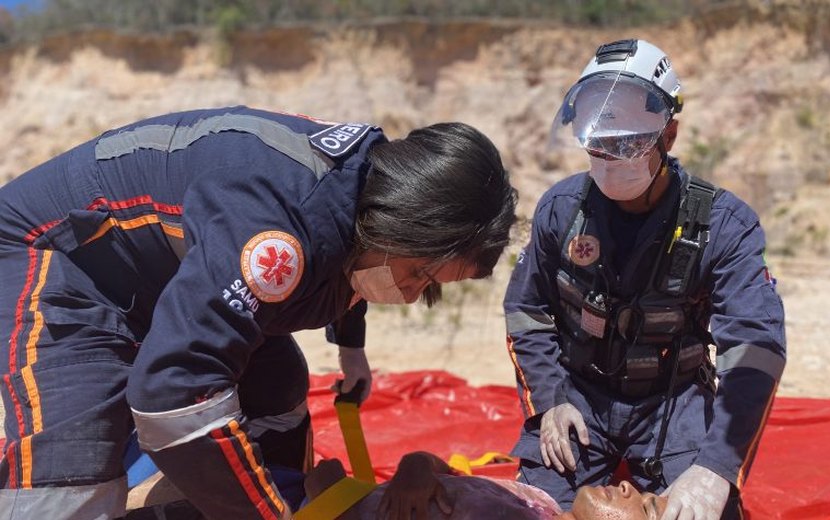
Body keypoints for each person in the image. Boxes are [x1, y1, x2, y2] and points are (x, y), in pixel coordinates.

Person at [0, 105, 518, 519]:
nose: (408, 296)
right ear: (404, 225)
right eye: (420, 276)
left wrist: (352, 350)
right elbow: (174, 390)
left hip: (159, 267)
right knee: (74, 460)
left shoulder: (365, 193)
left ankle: (197, 503)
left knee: (276, 388)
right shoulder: (277, 228)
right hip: (57, 254)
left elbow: (347, 261)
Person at [504, 39, 785, 520]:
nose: (611, 156)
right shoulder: (561, 209)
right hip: (580, 396)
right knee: (530, 509)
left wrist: (716, 468)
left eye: (628, 142)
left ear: (668, 136)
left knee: (706, 512)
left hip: (672, 401)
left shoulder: (724, 225)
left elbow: (756, 347)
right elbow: (527, 312)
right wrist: (549, 400)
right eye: (600, 141)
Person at [302, 452, 668, 520]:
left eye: (646, 507)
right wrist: (415, 466)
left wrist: (333, 495)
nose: (628, 488)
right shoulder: (543, 501)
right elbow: (443, 472)